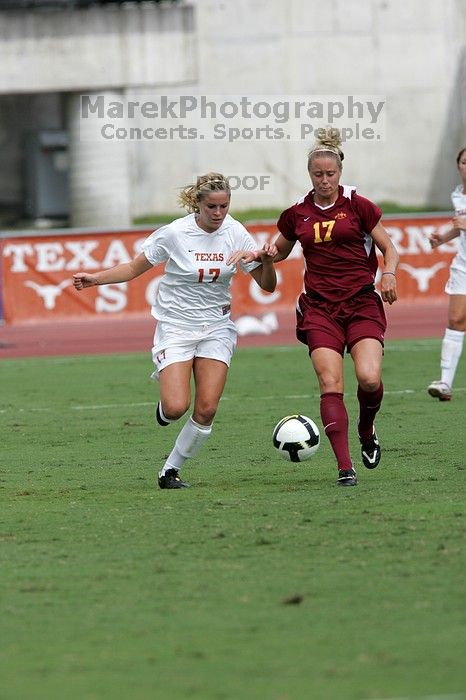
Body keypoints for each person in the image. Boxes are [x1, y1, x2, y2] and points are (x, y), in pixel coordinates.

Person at [73, 172, 277, 489]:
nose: (219, 213)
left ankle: (170, 470)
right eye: (212, 206)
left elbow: (267, 286)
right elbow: (132, 268)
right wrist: (95, 279)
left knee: (207, 408)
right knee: (175, 408)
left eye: (224, 206)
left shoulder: (236, 232)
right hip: (177, 326)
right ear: (197, 204)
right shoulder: (174, 233)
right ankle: (166, 408)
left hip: (217, 327)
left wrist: (265, 260)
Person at [272, 128, 399, 486]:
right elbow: (280, 250)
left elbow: (389, 248)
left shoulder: (359, 206)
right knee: (330, 382)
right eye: (317, 174)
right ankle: (345, 467)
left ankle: (366, 428)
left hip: (361, 303)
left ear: (340, 173)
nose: (324, 180)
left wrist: (388, 274)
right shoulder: (297, 213)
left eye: (330, 174)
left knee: (369, 378)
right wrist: (266, 256)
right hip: (320, 309)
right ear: (309, 174)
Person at [427, 147, 466, 401]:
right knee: (456, 320)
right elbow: (460, 225)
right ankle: (445, 383)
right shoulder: (458, 194)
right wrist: (443, 237)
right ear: (458, 166)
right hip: (463, 265)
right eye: (464, 162)